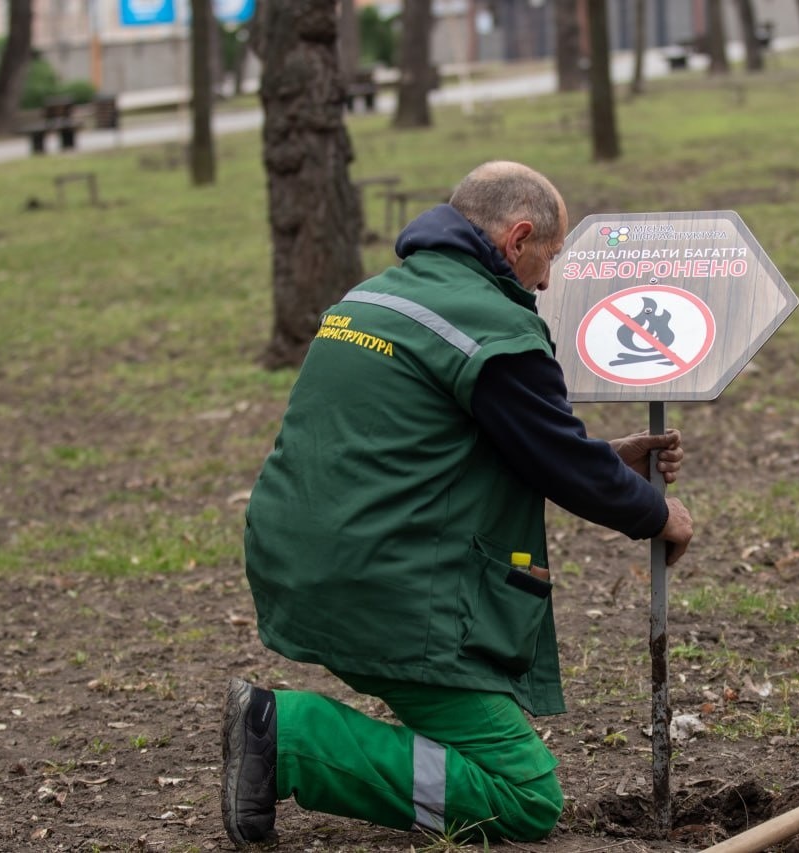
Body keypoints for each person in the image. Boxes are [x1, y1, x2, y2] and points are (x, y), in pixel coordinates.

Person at [223, 160, 694, 847]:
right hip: (386, 588)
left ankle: (315, 738)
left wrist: (603, 456)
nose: (548, 278)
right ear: (518, 239)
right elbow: (556, 457)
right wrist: (659, 514)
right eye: (549, 257)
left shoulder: (374, 297)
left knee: (462, 741)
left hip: (299, 558)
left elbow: (462, 439)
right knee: (523, 796)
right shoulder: (495, 327)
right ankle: (289, 737)